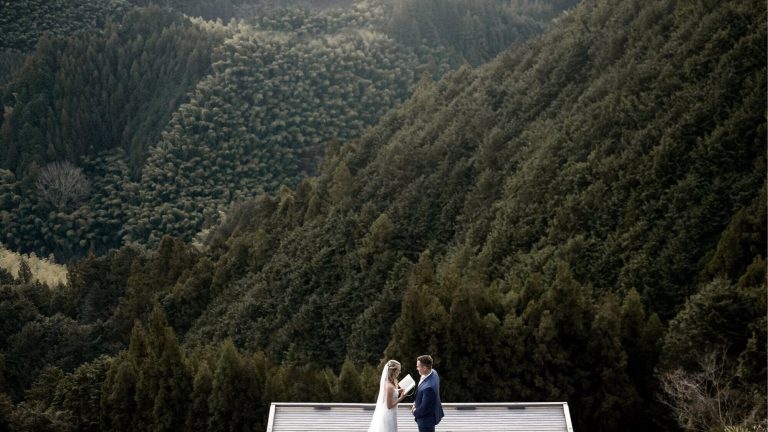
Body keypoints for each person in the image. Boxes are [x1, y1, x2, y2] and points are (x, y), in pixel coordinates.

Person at [368, 359, 408, 432]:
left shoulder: (389, 382)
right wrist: (401, 397)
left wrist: (398, 390)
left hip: (392, 413)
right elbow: (389, 406)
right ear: (393, 371)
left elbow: (390, 393)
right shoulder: (389, 386)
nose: (400, 372)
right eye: (399, 370)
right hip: (389, 414)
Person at [411, 355, 444, 432]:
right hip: (430, 415)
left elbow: (424, 409)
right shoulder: (433, 372)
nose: (417, 368)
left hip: (426, 421)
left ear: (425, 368)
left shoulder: (429, 388)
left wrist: (414, 411)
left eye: (418, 366)